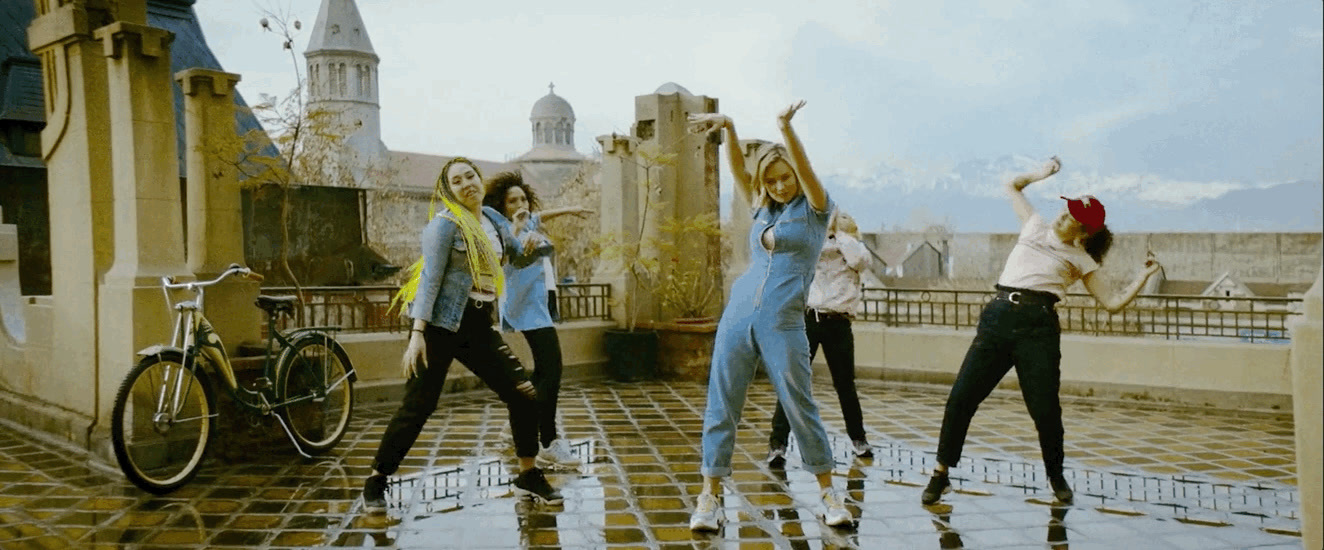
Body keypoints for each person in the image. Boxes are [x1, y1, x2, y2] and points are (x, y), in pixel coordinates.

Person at [920, 156, 1162, 506]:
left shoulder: (1082, 261)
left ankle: (1055, 476)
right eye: (1066, 210)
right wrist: (1040, 174)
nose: (1062, 216)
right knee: (961, 398)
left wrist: (1143, 276)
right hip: (998, 318)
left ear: (1084, 232)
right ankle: (940, 474)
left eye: (1072, 218)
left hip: (1038, 328)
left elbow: (1111, 303)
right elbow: (1011, 186)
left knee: (1045, 409)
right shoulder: (1033, 225)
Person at [685, 100, 853, 531]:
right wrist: (730, 128)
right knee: (721, 404)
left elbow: (806, 171)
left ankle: (829, 492)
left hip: (784, 321)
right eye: (772, 179)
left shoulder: (816, 210)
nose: (779, 185)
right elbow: (740, 173)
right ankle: (709, 496)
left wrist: (785, 129)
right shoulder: (762, 209)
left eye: (785, 177)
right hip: (738, 315)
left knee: (800, 405)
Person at [362, 158, 563, 514]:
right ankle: (377, 479)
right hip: (440, 325)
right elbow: (430, 280)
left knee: (524, 394)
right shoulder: (444, 226)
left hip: (477, 324)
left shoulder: (494, 220)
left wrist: (528, 234)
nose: (466, 183)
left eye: (470, 176)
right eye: (457, 181)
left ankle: (528, 476)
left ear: (480, 179)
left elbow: (516, 258)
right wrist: (417, 334)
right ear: (449, 191)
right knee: (419, 405)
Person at [482, 171, 593, 469]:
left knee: (545, 371)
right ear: (502, 205)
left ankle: (517, 423)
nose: (520, 205)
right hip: (523, 304)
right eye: (512, 200)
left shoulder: (529, 219)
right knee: (552, 369)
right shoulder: (504, 229)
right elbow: (503, 257)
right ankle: (547, 441)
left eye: (523, 199)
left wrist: (570, 209)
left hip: (538, 302)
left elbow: (541, 216)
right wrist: (516, 230)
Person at [767, 208, 874, 468]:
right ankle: (777, 444)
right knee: (793, 382)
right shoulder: (809, 246)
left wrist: (840, 236)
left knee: (845, 385)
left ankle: (858, 439)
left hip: (838, 323)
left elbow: (861, 261)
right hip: (809, 319)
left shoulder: (853, 248)